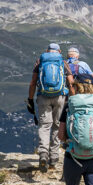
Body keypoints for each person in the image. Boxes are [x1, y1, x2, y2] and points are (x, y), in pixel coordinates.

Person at [27, 43, 67, 171]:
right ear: (59, 51)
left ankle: (43, 153)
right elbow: (70, 81)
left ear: (47, 50)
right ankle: (54, 158)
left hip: (43, 96)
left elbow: (33, 82)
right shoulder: (62, 62)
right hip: (60, 97)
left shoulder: (40, 61)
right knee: (57, 125)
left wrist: (30, 99)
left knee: (44, 126)